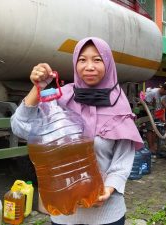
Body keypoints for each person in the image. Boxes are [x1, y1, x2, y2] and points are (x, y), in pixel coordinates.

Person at [10, 37, 143, 225]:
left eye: (97, 60)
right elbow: (20, 127)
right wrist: (37, 88)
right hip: (63, 213)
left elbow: (122, 162)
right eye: (82, 60)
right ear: (75, 63)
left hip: (106, 215)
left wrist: (108, 189)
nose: (89, 66)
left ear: (108, 64)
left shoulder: (119, 105)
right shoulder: (60, 98)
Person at [144, 82, 166, 159]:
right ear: (163, 88)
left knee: (156, 130)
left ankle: (154, 147)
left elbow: (163, 107)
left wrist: (163, 117)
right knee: (150, 129)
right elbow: (145, 104)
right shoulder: (153, 93)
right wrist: (152, 109)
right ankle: (151, 147)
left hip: (158, 114)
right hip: (149, 114)